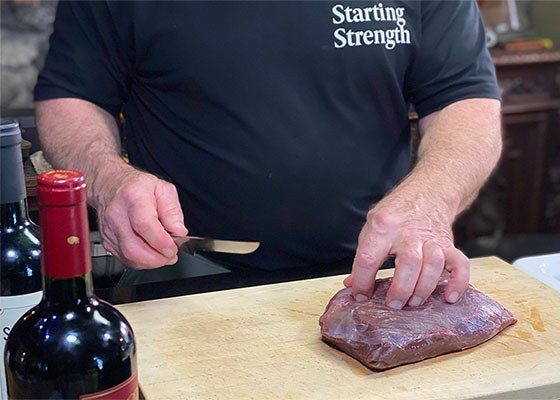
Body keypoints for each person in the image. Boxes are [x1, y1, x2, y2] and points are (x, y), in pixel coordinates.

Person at [34, 1, 501, 309]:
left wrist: (430, 202)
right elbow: (70, 97)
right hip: (188, 277)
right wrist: (107, 179)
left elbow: (465, 100)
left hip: (384, 281)